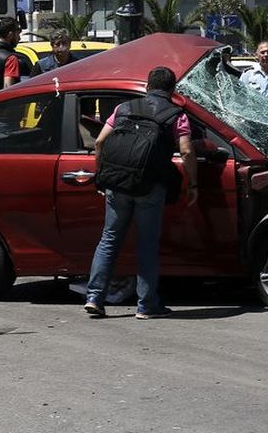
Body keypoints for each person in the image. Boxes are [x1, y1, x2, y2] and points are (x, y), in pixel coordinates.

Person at [84, 66, 198, 319]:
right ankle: (147, 305)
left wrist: (103, 177)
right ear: (172, 90)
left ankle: (94, 297)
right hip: (150, 185)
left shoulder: (124, 108)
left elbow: (100, 141)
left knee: (109, 239)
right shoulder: (176, 115)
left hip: (117, 183)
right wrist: (193, 184)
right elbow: (187, 151)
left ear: (148, 86)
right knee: (147, 245)